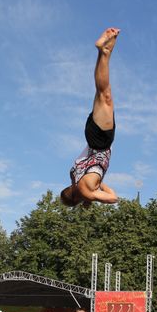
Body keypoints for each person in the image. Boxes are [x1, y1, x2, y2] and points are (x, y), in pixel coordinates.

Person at [59, 27, 121, 207]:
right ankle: (105, 51)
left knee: (105, 94)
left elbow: (113, 198)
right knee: (103, 94)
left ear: (76, 200)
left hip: (101, 143)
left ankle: (105, 51)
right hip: (92, 137)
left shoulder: (86, 190)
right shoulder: (73, 175)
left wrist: (99, 186)